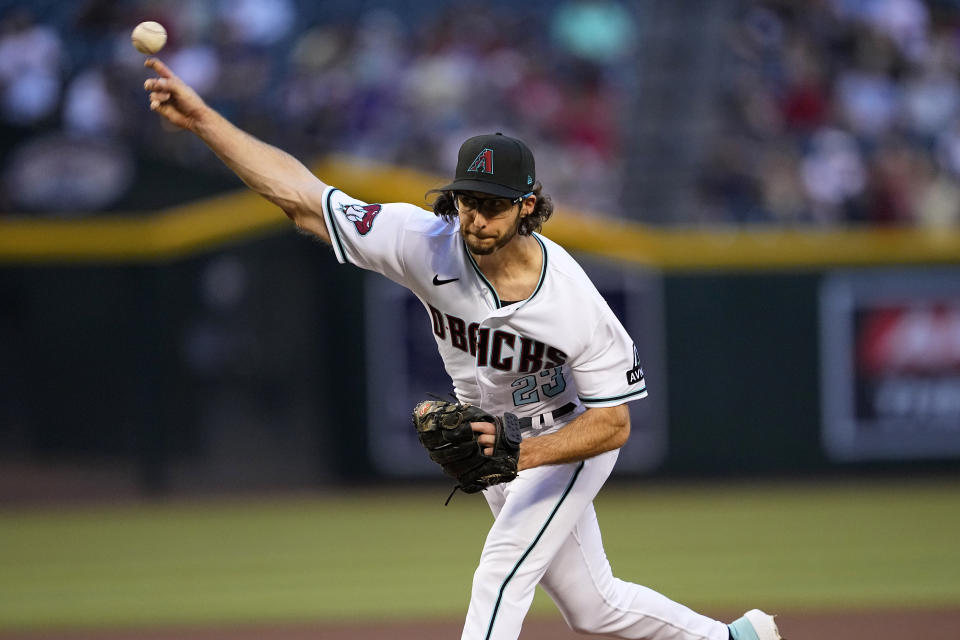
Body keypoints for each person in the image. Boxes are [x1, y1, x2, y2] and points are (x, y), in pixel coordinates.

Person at [142, 57, 781, 640]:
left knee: (500, 576)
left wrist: (524, 452)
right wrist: (202, 120)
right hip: (493, 442)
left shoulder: (574, 303)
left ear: (528, 206)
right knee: (594, 607)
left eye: (492, 205)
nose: (474, 217)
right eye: (467, 201)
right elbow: (302, 198)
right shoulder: (424, 243)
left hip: (565, 440)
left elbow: (614, 422)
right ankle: (736, 639)